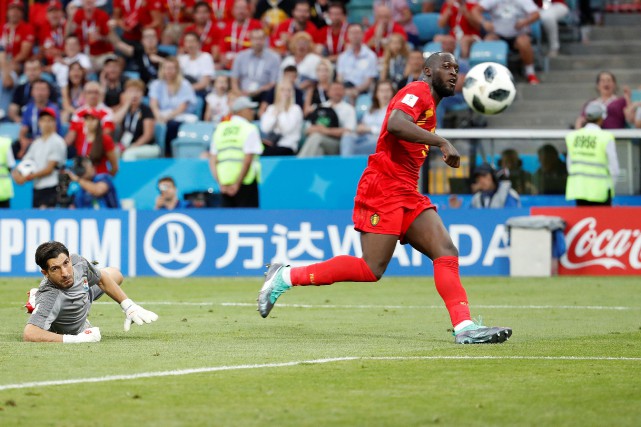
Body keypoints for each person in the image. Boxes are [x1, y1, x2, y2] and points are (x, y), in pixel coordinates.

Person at [258, 52, 513, 344]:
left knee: (445, 251)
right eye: (446, 67)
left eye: (456, 68)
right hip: (383, 187)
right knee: (370, 268)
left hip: (406, 190)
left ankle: (465, 327)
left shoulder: (429, 104)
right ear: (427, 71)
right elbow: (394, 122)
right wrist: (441, 141)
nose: (453, 72)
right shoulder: (418, 91)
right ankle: (285, 277)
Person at [23, 241, 158, 343]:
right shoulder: (50, 297)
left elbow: (102, 278)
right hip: (65, 306)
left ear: (69, 258)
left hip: (84, 292)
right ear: (45, 273)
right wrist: (76, 339)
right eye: (55, 269)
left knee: (116, 274)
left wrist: (128, 306)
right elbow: (30, 334)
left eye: (65, 263)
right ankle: (38, 299)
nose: (65, 273)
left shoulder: (78, 262)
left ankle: (37, 298)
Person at [209, 96, 263, 207]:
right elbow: (248, 159)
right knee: (248, 221)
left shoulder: (220, 129)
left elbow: (213, 160)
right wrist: (237, 184)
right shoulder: (249, 128)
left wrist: (220, 184)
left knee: (227, 221)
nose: (253, 112)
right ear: (241, 111)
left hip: (225, 183)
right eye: (250, 109)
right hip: (245, 183)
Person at [472, 0, 541, 85]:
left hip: (518, 34)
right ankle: (488, 74)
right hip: (498, 34)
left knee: (523, 41)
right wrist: (484, 22)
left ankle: (530, 73)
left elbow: (536, 14)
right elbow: (475, 11)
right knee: (488, 40)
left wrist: (524, 22)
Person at [565, 101, 619, 206]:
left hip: (579, 190)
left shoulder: (573, 136)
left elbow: (570, 165)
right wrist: (610, 186)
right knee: (603, 222)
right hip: (601, 192)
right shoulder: (606, 137)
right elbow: (614, 168)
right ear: (601, 118)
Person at [11, 108, 67, 208]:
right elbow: (26, 162)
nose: (46, 123)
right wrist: (16, 173)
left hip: (53, 186)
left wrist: (26, 177)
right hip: (38, 186)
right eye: (43, 120)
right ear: (39, 122)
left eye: (50, 120)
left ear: (54, 123)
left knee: (48, 216)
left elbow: (49, 169)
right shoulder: (37, 143)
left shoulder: (57, 141)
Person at [148, 57, 198, 156]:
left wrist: (168, 117)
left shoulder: (185, 84)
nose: (168, 71)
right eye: (166, 68)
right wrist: (158, 116)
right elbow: (153, 103)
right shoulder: (156, 84)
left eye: (171, 68)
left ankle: (169, 153)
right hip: (161, 114)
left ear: (177, 70)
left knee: (172, 125)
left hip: (179, 115)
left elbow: (182, 107)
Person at [297, 81, 356, 157]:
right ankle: (312, 168)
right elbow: (309, 129)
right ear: (328, 92)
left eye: (340, 89)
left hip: (338, 143)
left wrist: (325, 131)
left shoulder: (349, 109)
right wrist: (318, 129)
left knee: (316, 137)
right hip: (320, 141)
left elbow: (348, 131)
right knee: (318, 148)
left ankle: (299, 163)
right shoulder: (320, 107)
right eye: (334, 89)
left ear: (344, 92)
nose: (337, 92)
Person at [340, 80, 395, 156]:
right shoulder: (370, 110)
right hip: (364, 137)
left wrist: (370, 129)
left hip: (379, 140)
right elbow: (363, 124)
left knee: (353, 148)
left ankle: (346, 163)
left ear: (392, 93)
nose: (384, 94)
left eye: (387, 91)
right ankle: (347, 161)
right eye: (381, 91)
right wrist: (360, 128)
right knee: (347, 137)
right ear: (376, 94)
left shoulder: (394, 111)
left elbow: (391, 131)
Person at [230, 28, 281, 102]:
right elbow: (234, 80)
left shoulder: (274, 58)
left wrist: (259, 91)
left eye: (261, 39)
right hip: (242, 93)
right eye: (255, 39)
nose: (258, 42)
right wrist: (239, 94)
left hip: (264, 94)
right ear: (250, 40)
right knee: (233, 99)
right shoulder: (240, 56)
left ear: (265, 40)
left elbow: (273, 83)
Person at [112, 79, 159, 160]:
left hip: (146, 146)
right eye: (130, 91)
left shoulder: (146, 110)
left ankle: (129, 173)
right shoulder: (125, 110)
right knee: (112, 153)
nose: (134, 94)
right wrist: (126, 105)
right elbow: (115, 121)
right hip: (126, 145)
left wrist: (132, 147)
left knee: (128, 155)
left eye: (137, 91)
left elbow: (147, 135)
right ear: (125, 94)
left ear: (142, 94)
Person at [336, 24, 379, 102]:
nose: (355, 35)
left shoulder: (371, 56)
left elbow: (369, 81)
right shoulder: (343, 57)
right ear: (347, 36)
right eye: (352, 33)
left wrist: (355, 90)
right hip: (345, 90)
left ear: (363, 35)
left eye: (357, 33)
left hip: (363, 92)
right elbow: (340, 78)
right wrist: (345, 91)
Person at [260, 80, 304, 156]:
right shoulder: (271, 108)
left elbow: (287, 128)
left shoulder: (295, 109)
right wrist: (275, 113)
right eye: (282, 90)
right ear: (277, 92)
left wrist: (282, 108)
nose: (285, 93)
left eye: (288, 90)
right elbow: (265, 128)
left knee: (269, 153)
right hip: (271, 144)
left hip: (288, 145)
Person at [73, 108, 119, 176]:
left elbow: (114, 166)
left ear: (98, 121)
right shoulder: (81, 138)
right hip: (84, 178)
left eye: (93, 119)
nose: (89, 122)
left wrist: (105, 179)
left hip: (99, 177)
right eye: (87, 119)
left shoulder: (105, 139)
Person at [0, 134, 16, 208]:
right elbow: (11, 165)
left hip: (3, 192)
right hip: (3, 191)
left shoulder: (5, 143)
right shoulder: (5, 143)